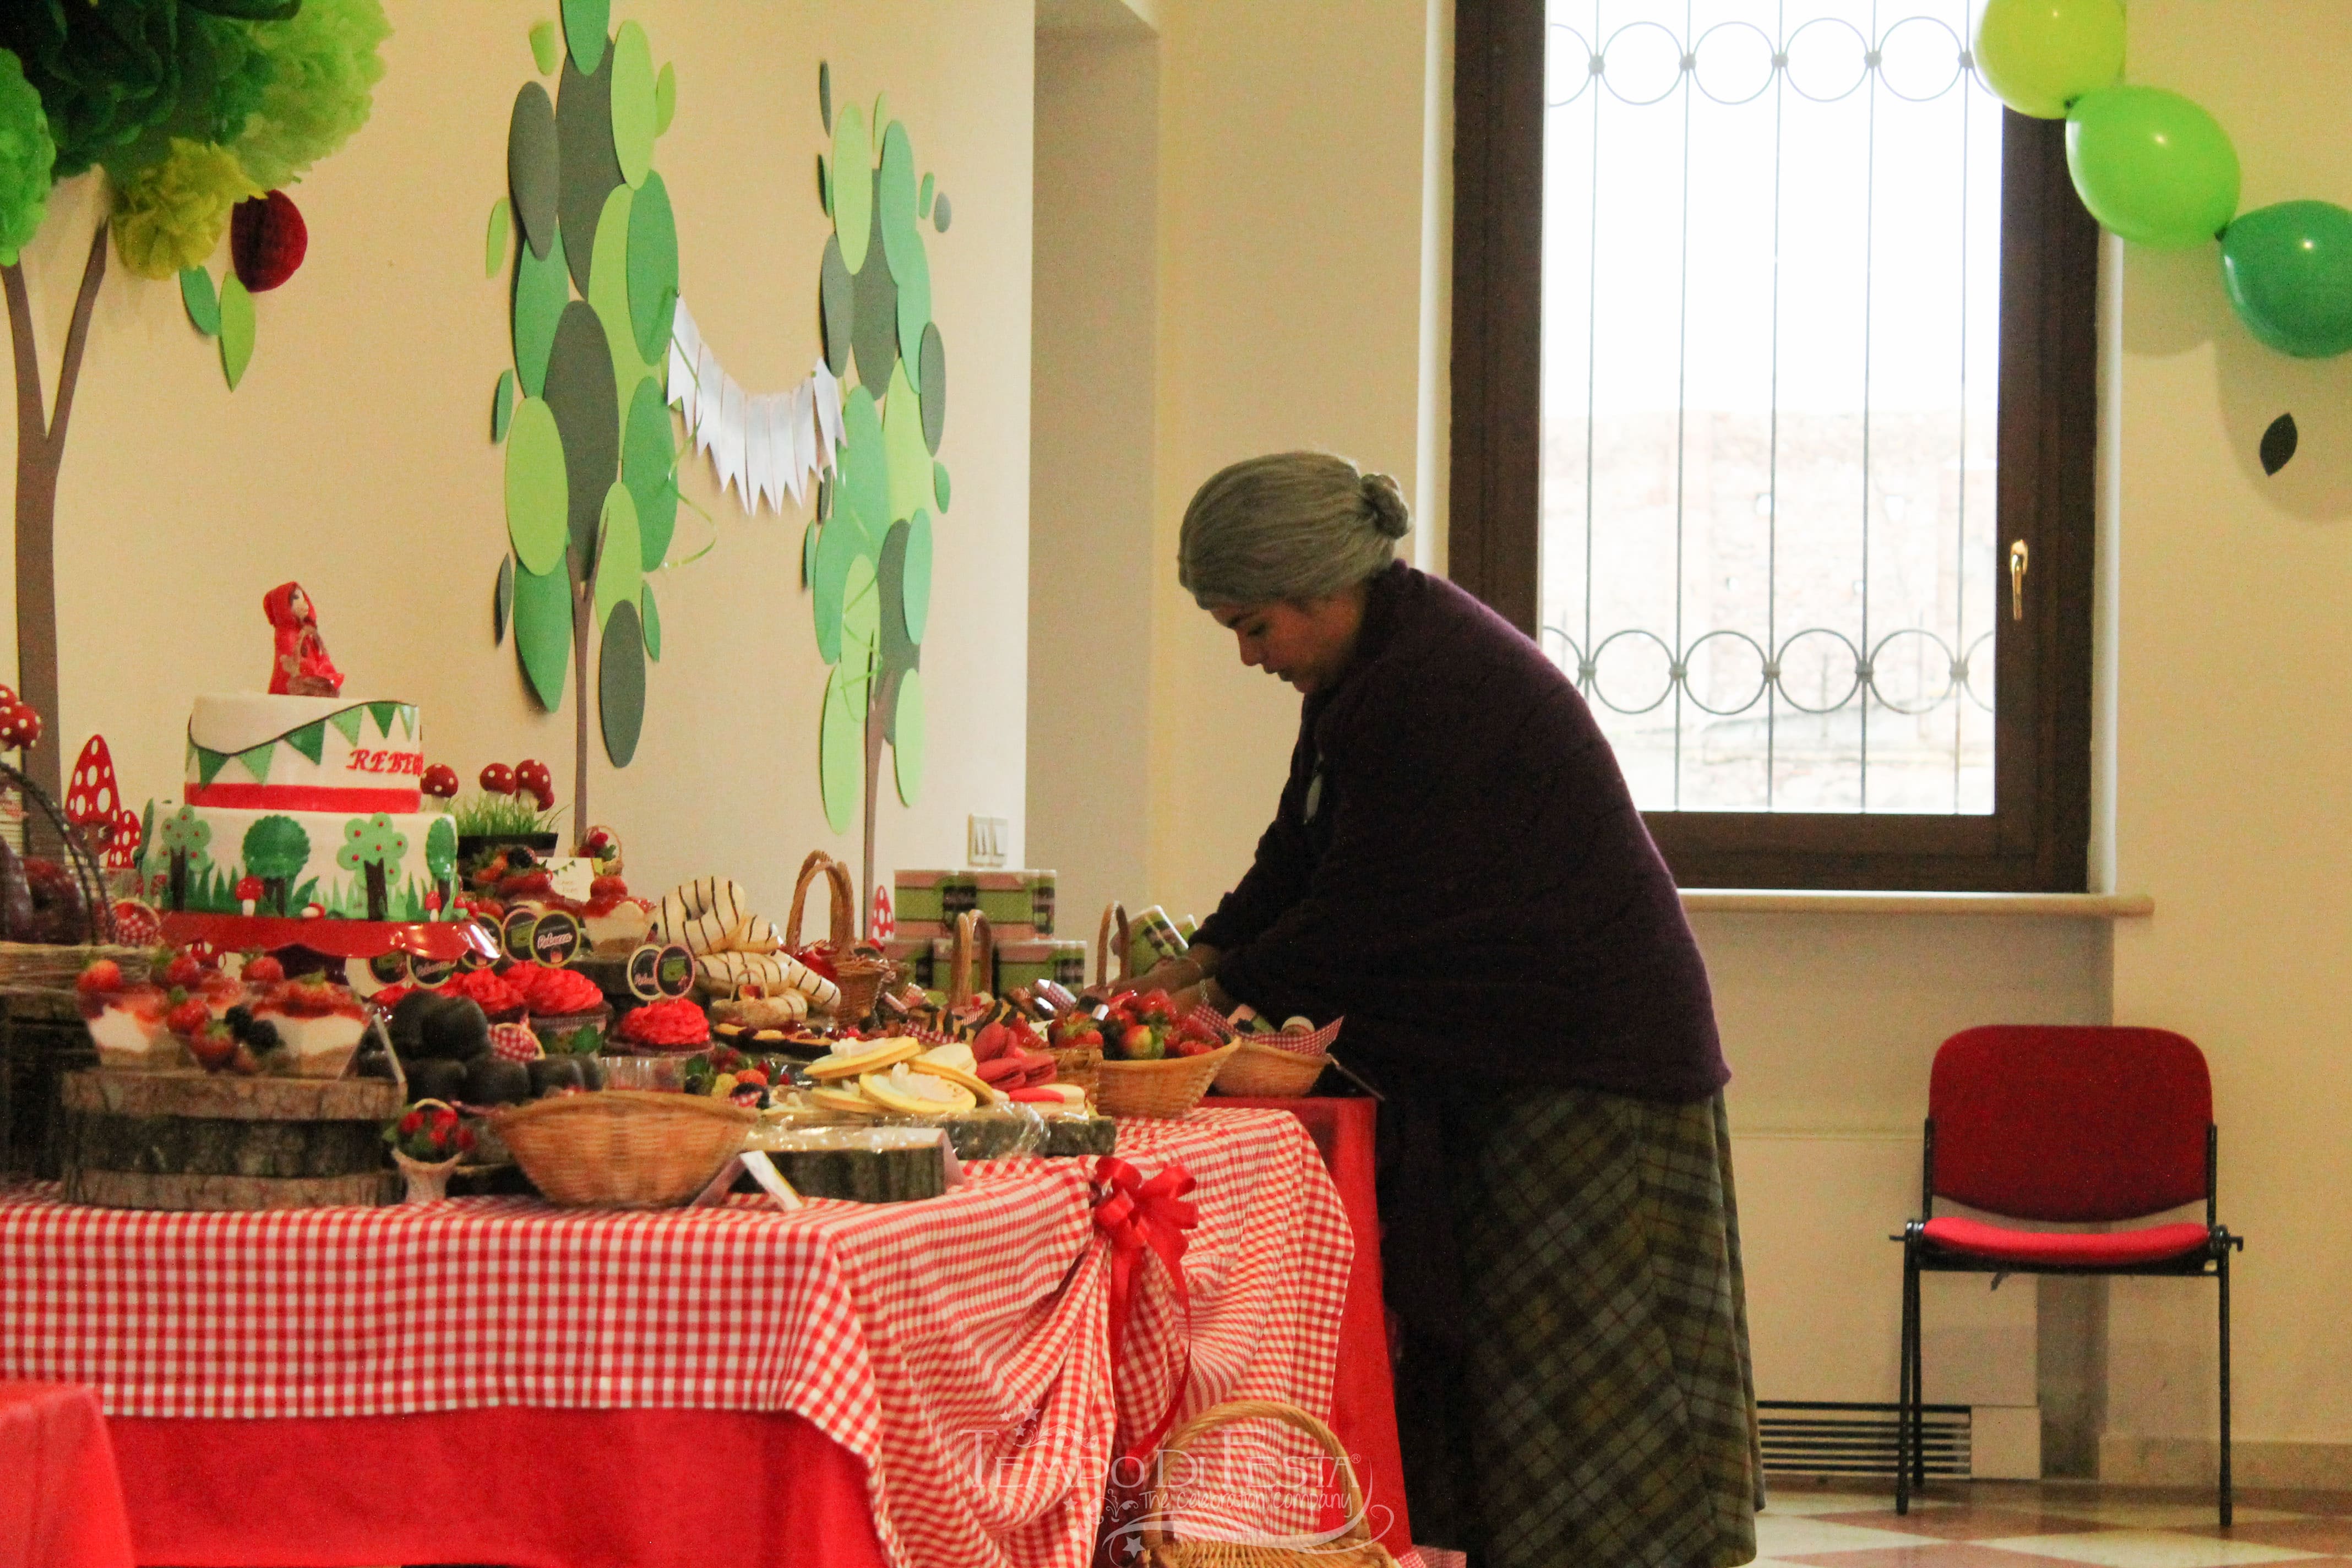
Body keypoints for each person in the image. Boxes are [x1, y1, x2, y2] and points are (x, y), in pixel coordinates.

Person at [1129, 451, 1762, 1568]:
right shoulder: (1368, 671)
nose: (1246, 654)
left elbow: (1371, 905)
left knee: (1590, 1399)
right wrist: (1209, 953)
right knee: (1526, 1392)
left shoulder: (1430, 683)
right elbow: (1301, 854)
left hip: (1590, 1067)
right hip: (1529, 1054)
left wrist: (1225, 988)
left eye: (1253, 623)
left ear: (1323, 590)